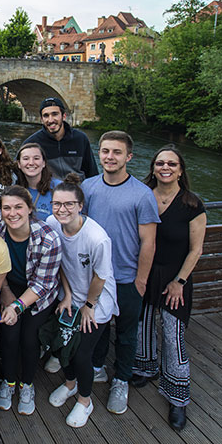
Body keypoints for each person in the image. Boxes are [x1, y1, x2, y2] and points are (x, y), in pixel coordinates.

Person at [82, 131, 159, 415]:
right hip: (97, 277)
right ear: (99, 153)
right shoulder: (89, 187)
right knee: (98, 328)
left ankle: (122, 380)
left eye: (116, 152)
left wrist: (141, 280)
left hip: (127, 277)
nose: (109, 157)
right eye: (105, 151)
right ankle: (97, 367)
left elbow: (148, 241)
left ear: (128, 157)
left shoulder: (141, 194)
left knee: (127, 333)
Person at [132, 146, 206, 431]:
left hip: (175, 278)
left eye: (171, 164)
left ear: (180, 170)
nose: (165, 167)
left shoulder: (191, 204)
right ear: (152, 167)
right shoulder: (142, 196)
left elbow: (196, 249)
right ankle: (146, 368)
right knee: (143, 324)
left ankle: (178, 397)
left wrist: (180, 281)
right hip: (145, 272)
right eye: (160, 163)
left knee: (173, 336)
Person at [45, 174, 118, 428]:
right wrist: (66, 294)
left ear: (80, 206)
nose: (61, 209)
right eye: (57, 204)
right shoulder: (52, 224)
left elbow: (101, 275)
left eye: (68, 204)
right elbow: (59, 262)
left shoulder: (97, 238)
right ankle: (69, 384)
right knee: (63, 346)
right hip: (71, 295)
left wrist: (88, 305)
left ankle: (85, 401)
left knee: (81, 354)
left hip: (96, 301)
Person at [0, 186, 61, 416]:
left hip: (39, 294)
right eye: (6, 208)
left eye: (18, 207)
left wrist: (16, 306)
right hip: (9, 284)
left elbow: (42, 285)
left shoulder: (48, 238)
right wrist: (5, 292)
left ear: (30, 209)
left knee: (29, 338)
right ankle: (9, 381)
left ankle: (28, 384)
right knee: (9, 335)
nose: (12, 213)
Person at [22, 97, 98, 180]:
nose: (50, 120)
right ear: (42, 120)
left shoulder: (80, 139)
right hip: (49, 191)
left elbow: (92, 173)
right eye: (46, 116)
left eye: (55, 114)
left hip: (78, 190)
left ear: (64, 116)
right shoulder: (33, 143)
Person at [14, 142, 62, 223]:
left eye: (36, 158)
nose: (31, 163)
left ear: (43, 163)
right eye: (26, 159)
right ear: (19, 164)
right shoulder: (15, 189)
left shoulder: (59, 188)